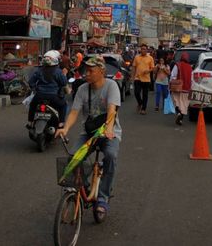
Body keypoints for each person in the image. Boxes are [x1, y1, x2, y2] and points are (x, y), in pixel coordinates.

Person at [55, 56, 121, 222]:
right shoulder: (83, 89)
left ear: (101, 72)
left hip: (108, 132)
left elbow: (112, 110)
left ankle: (103, 198)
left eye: (91, 71)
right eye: (86, 70)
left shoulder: (111, 86)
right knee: (73, 157)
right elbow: (74, 112)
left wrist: (109, 129)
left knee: (111, 156)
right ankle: (82, 188)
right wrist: (66, 128)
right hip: (89, 133)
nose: (87, 74)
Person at [27, 50, 68, 127]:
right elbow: (64, 83)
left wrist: (35, 88)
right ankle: (61, 123)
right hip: (54, 96)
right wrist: (65, 74)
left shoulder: (39, 71)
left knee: (32, 105)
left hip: (39, 95)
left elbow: (31, 82)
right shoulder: (58, 72)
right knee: (63, 105)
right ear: (56, 60)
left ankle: (30, 122)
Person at [130, 44, 155, 115]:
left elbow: (153, 68)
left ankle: (143, 109)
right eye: (142, 49)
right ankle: (140, 103)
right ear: (140, 50)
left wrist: (148, 71)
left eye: (144, 49)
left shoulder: (150, 58)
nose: (143, 50)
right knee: (136, 92)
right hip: (137, 78)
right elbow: (134, 67)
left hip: (146, 79)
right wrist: (132, 77)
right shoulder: (136, 57)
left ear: (147, 50)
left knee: (145, 95)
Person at [169, 52, 193, 125]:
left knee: (176, 102)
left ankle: (178, 113)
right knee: (184, 104)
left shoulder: (177, 65)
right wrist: (191, 87)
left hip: (177, 88)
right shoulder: (190, 67)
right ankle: (180, 119)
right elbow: (192, 79)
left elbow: (173, 76)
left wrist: (171, 84)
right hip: (186, 89)